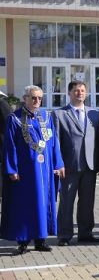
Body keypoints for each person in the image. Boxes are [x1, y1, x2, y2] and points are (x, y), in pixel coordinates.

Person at [1, 86, 64, 254]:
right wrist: (12, 168)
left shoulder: (46, 116)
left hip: (45, 170)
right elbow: (10, 146)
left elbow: (53, 142)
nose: (37, 101)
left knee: (43, 203)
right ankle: (23, 241)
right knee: (25, 204)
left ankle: (40, 240)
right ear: (25, 98)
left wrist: (58, 164)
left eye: (39, 98)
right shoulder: (14, 118)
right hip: (26, 170)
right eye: (33, 98)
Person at [52, 80, 99, 246]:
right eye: (76, 91)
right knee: (67, 202)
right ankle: (64, 235)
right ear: (69, 93)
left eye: (82, 90)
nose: (79, 93)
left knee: (87, 201)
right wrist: (58, 164)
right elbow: (56, 142)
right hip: (69, 166)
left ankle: (85, 233)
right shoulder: (59, 114)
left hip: (89, 166)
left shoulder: (94, 113)